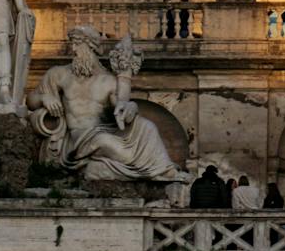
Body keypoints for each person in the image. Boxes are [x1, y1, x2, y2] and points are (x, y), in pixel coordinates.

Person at [29, 28, 179, 184]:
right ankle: (155, 170)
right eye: (72, 44)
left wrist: (130, 107)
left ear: (91, 46)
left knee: (147, 126)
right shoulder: (58, 74)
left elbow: (120, 109)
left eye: (77, 44)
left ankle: (165, 169)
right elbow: (30, 101)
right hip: (77, 140)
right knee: (104, 142)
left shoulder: (108, 80)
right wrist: (43, 98)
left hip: (101, 132)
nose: (73, 50)